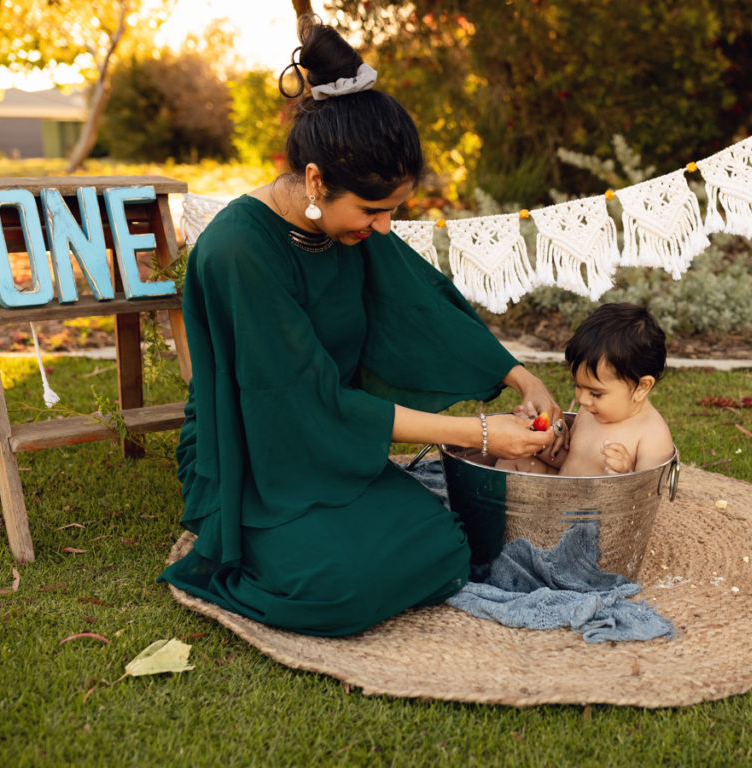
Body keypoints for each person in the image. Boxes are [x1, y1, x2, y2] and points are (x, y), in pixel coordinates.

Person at [157, 17, 566, 637]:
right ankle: (233, 553)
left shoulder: (344, 224)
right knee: (339, 589)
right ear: (317, 179)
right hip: (254, 450)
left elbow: (419, 304)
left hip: (332, 445)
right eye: (374, 210)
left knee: (446, 547)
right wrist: (481, 433)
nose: (381, 228)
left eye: (393, 211)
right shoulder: (239, 251)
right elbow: (302, 404)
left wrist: (519, 376)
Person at [497, 302, 674, 476]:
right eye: (578, 386)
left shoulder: (652, 435)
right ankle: (495, 501)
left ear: (642, 387)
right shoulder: (590, 412)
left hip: (601, 503)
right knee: (512, 459)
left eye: (595, 393)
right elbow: (570, 462)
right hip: (563, 492)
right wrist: (538, 439)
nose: (582, 399)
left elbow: (648, 492)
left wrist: (626, 475)